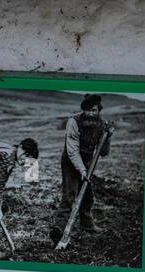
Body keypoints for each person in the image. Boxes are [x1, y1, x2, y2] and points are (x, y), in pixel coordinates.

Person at [51, 94, 113, 244]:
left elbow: (103, 152)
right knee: (69, 195)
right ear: (83, 110)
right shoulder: (73, 122)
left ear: (98, 110)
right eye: (87, 110)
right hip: (70, 161)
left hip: (87, 162)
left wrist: (108, 136)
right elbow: (72, 151)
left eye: (93, 110)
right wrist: (83, 171)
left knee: (87, 196)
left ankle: (87, 224)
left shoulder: (101, 124)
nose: (90, 113)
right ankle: (59, 229)